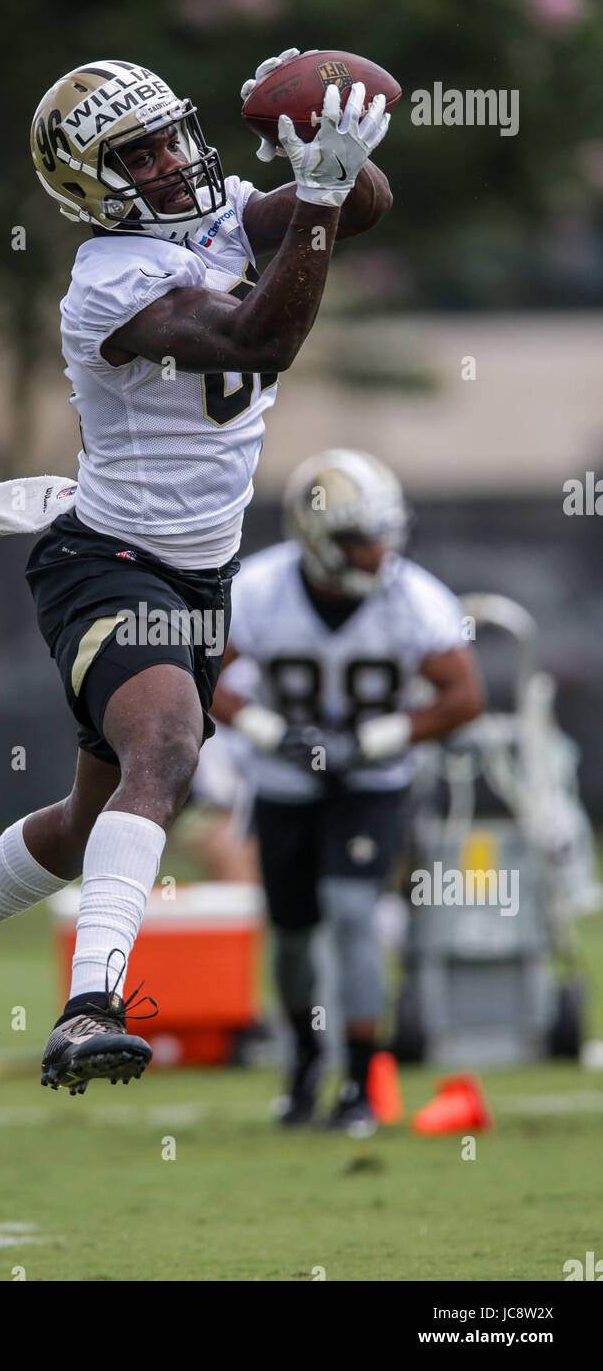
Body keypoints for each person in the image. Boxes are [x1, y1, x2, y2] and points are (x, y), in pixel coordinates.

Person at [0, 51, 394, 1097]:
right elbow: (257, 335)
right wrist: (318, 195)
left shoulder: (226, 206)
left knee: (90, 820)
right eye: (132, 154)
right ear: (87, 184)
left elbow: (358, 208)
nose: (166, 162)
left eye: (165, 136)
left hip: (201, 573)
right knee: (167, 749)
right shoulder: (109, 281)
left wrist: (334, 152)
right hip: (109, 562)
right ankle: (90, 1002)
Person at [211, 450, 485, 1134]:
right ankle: (305, 1060)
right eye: (358, 539)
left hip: (371, 783)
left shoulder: (413, 597)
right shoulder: (259, 590)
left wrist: (372, 743)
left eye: (381, 534)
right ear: (316, 539)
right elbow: (201, 674)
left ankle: (361, 1081)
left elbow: (464, 695)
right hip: (282, 784)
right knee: (295, 935)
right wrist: (276, 734)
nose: (375, 552)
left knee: (353, 909)